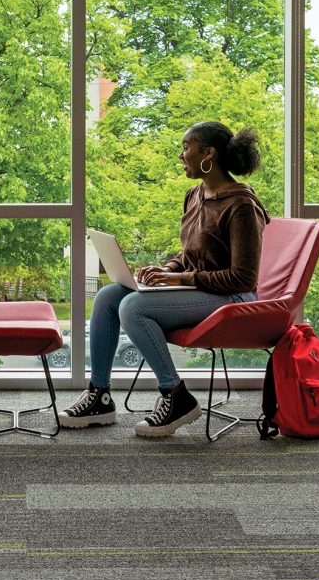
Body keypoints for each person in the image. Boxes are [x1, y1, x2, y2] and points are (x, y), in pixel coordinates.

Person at [61, 121, 269, 437]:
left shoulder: (240, 204)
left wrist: (182, 278)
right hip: (203, 290)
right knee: (108, 298)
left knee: (132, 307)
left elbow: (243, 278)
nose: (181, 154)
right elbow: (190, 254)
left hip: (233, 299)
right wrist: (167, 270)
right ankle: (100, 396)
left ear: (208, 153)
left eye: (186, 147)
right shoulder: (195, 194)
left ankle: (176, 396)